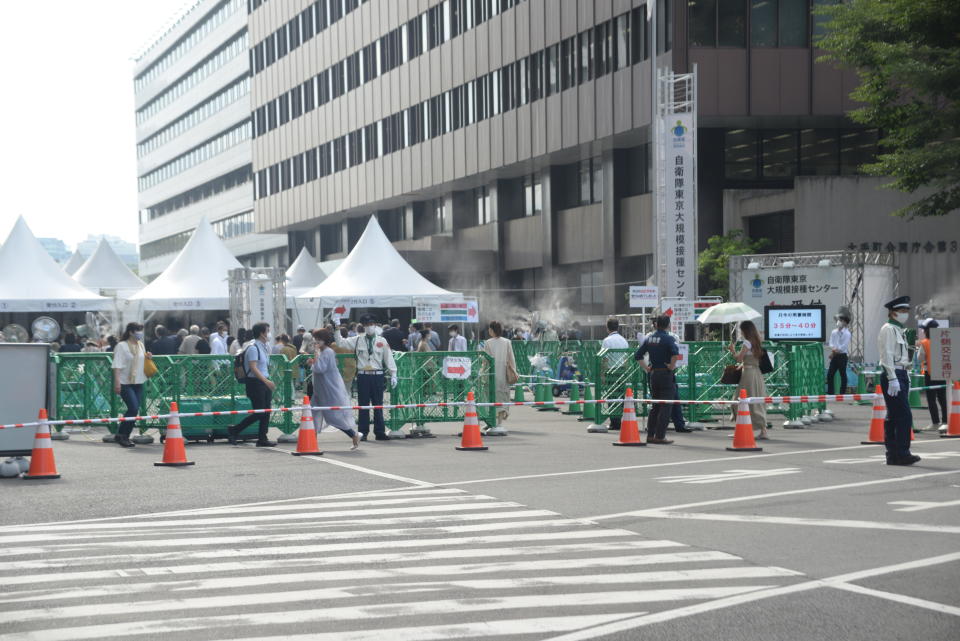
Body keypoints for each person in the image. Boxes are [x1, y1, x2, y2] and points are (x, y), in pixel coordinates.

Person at [878, 297, 920, 465]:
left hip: (901, 373)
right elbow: (886, 355)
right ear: (893, 312)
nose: (905, 314)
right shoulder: (888, 329)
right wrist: (892, 378)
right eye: (902, 311)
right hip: (893, 374)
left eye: (906, 311)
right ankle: (902, 453)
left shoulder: (899, 330)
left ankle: (893, 454)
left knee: (894, 416)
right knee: (904, 415)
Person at [343, 314, 397, 441]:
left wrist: (394, 373)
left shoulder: (382, 341)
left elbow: (388, 358)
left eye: (371, 324)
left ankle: (380, 432)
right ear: (363, 327)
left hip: (377, 375)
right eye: (366, 325)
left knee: (378, 405)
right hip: (363, 376)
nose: (369, 327)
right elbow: (341, 342)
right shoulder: (357, 340)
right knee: (363, 405)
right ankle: (363, 432)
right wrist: (336, 327)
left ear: (375, 325)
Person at [307, 328, 360, 450]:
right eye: (315, 339)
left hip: (329, 389)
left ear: (324, 340)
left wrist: (312, 363)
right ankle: (311, 441)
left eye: (318, 339)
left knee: (333, 417)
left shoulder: (328, 352)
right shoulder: (321, 351)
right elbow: (319, 366)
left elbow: (321, 368)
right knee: (312, 413)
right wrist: (313, 360)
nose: (316, 341)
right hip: (320, 389)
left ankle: (353, 434)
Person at [226, 322, 277, 447]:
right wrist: (266, 381)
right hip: (255, 383)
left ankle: (262, 438)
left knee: (266, 411)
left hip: (264, 381)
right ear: (261, 333)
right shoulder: (253, 347)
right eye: (267, 331)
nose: (269, 333)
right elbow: (253, 368)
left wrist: (267, 380)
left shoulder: (264, 347)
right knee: (259, 412)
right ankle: (235, 430)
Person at [635, 315, 680, 445]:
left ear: (656, 324)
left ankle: (650, 435)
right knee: (666, 406)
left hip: (654, 374)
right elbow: (675, 354)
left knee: (655, 406)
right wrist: (671, 366)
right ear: (668, 325)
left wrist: (647, 368)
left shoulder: (650, 338)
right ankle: (660, 436)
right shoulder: (668, 338)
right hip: (665, 374)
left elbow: (638, 355)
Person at [726, 320, 770, 440]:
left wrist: (732, 350)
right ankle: (762, 430)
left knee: (738, 401)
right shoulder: (757, 341)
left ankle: (741, 429)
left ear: (745, 330)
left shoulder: (747, 342)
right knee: (756, 401)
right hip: (757, 374)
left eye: (741, 330)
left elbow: (739, 359)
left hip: (748, 375)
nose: (740, 332)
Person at [111, 322, 150, 448]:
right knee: (133, 408)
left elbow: (141, 360)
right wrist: (117, 382)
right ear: (131, 332)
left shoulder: (140, 345)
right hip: (125, 382)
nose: (140, 333)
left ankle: (123, 435)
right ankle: (122, 435)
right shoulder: (121, 346)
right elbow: (116, 365)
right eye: (138, 331)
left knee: (135, 410)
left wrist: (147, 357)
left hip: (138, 381)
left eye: (141, 331)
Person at [482, 320, 517, 432]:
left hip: (491, 374)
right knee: (502, 398)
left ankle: (490, 422)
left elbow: (485, 361)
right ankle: (499, 423)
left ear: (492, 330)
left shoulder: (488, 342)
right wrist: (513, 372)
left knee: (490, 398)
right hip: (503, 375)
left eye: (489, 329)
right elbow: (511, 359)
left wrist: (482, 372)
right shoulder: (507, 342)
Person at [917, 319, 948, 432]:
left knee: (931, 399)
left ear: (926, 330)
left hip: (929, 373)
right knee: (943, 398)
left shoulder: (924, 343)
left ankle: (935, 423)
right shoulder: (944, 341)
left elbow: (919, 358)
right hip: (943, 373)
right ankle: (946, 422)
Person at [600, 318, 630, 433]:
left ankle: (614, 422)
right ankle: (619, 420)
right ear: (618, 327)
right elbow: (626, 359)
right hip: (622, 370)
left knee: (612, 396)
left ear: (607, 328)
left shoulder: (607, 341)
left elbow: (605, 359)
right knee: (621, 396)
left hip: (611, 371)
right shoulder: (624, 341)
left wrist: (602, 374)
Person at [826, 312, 851, 394]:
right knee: (830, 374)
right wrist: (833, 350)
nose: (839, 321)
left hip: (842, 356)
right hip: (835, 355)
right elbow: (831, 343)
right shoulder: (834, 332)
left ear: (845, 323)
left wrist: (834, 352)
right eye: (839, 320)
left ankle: (842, 393)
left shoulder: (847, 333)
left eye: (841, 320)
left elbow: (843, 347)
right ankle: (830, 392)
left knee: (842, 374)